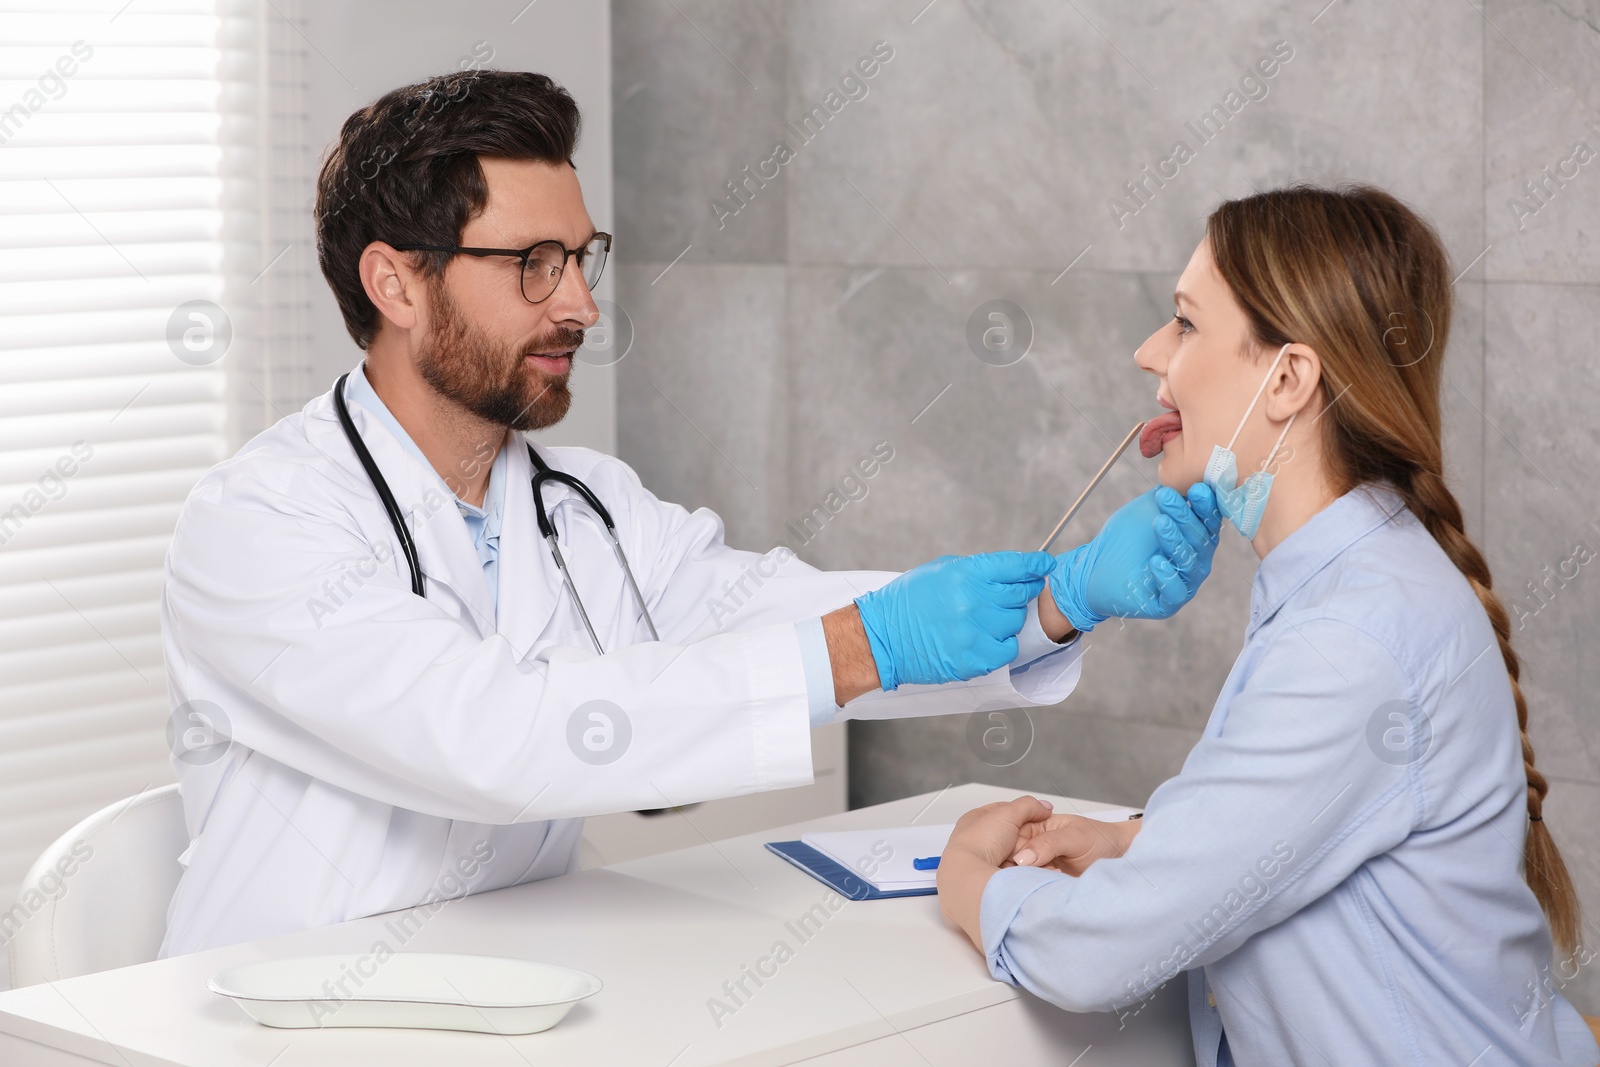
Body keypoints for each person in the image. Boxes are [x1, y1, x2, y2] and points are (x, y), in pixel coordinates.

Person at [156, 70, 1222, 957]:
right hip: (275, 1019)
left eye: (582, 257)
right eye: (532, 264)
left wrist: (1059, 599)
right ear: (393, 283)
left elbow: (767, 615)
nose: (577, 302)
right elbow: (490, 737)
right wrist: (865, 644)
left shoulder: (584, 505)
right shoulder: (262, 522)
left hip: (514, 992)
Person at [937, 184, 1599, 1065]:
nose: (1148, 354)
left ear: (1287, 379)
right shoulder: (1354, 581)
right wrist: (1137, 843)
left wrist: (968, 885)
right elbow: (1316, 823)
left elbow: (1098, 954)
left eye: (1183, 324)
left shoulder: (1353, 641)